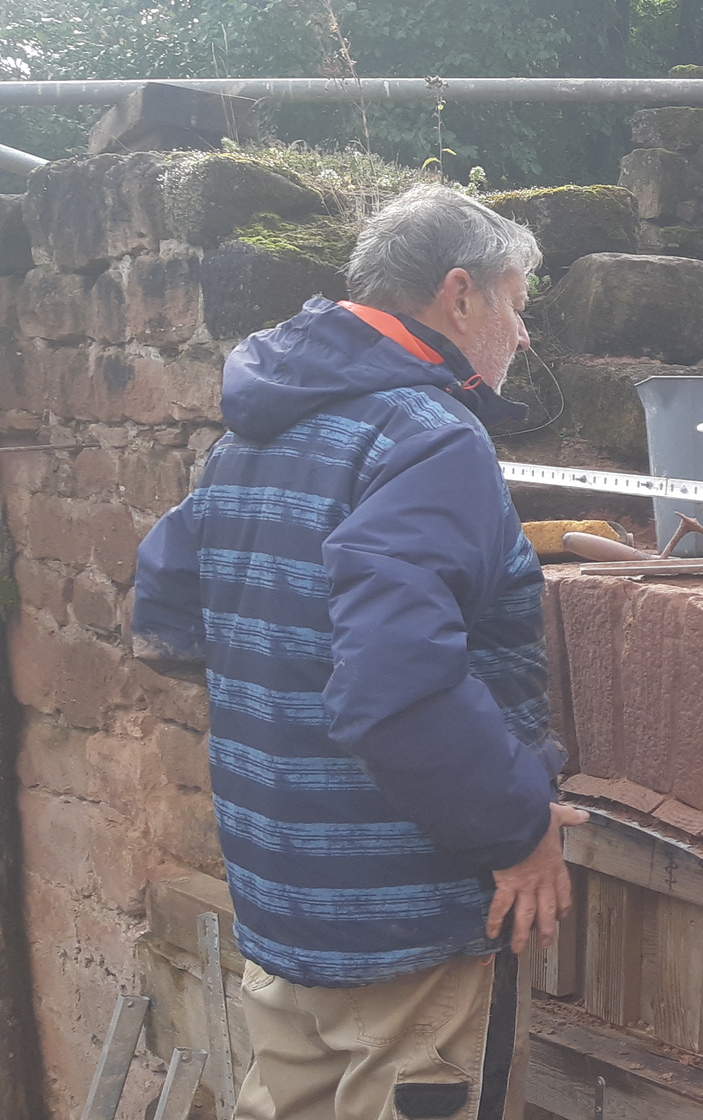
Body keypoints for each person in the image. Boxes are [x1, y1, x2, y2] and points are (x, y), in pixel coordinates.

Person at [131, 184, 586, 1120]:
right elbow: (394, 686)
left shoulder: (254, 429)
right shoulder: (430, 438)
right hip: (406, 923)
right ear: (460, 294)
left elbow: (165, 619)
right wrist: (517, 830)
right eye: (516, 305)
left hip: (281, 895)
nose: (523, 335)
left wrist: (290, 695)